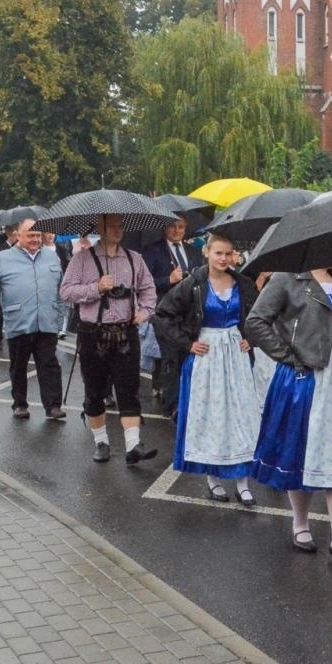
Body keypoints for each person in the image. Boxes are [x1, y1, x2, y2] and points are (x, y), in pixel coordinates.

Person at [245, 263, 332, 560]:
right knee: (302, 451)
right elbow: (255, 322)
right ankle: (301, 522)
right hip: (305, 376)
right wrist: (289, 356)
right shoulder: (285, 277)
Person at [157, 236, 262, 504]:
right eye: (218, 253)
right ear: (206, 252)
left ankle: (243, 482)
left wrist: (252, 337)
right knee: (212, 417)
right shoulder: (193, 283)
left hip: (236, 356)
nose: (224, 259)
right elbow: (163, 315)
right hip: (207, 356)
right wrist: (188, 343)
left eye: (229, 253)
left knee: (242, 415)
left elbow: (262, 315)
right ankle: (213, 479)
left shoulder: (244, 283)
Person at [59, 214, 158, 464]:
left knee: (129, 390)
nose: (117, 230)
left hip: (126, 332)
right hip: (93, 334)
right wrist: (96, 288)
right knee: (94, 392)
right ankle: (101, 441)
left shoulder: (134, 258)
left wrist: (144, 312)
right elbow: (66, 292)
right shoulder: (82, 258)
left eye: (120, 225)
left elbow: (148, 289)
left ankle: (134, 446)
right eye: (111, 226)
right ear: (99, 228)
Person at [0, 218, 67, 420]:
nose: (35, 239)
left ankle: (53, 406)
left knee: (49, 365)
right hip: (18, 321)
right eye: (30, 235)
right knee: (19, 365)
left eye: (38, 235)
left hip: (47, 320)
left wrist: (59, 317)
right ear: (18, 235)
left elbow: (60, 290)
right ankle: (20, 404)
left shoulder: (52, 257)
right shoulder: (3, 258)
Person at [144, 217, 205, 417]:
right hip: (165, 313)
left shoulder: (193, 252)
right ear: (164, 228)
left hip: (188, 315)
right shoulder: (153, 251)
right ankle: (171, 405)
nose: (177, 230)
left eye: (181, 226)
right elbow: (145, 282)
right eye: (173, 226)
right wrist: (167, 279)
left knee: (186, 357)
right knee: (169, 358)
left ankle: (186, 397)